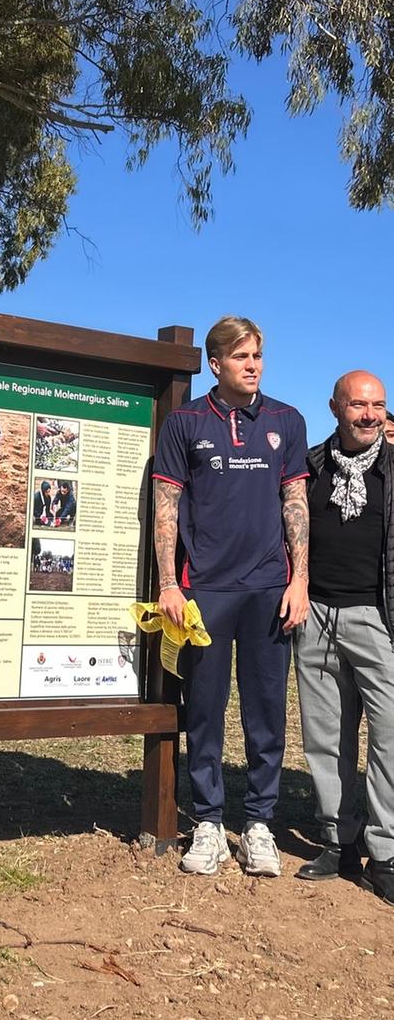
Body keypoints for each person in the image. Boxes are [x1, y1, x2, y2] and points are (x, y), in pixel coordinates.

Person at [153, 315, 309, 877]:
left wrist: (300, 579)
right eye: (241, 358)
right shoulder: (186, 421)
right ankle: (210, 823)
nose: (252, 367)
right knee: (205, 710)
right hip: (205, 591)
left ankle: (261, 822)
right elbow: (166, 508)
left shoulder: (286, 421)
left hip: (270, 587)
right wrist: (170, 583)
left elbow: (296, 503)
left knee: (266, 712)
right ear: (215, 364)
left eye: (258, 357)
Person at [293, 371, 394, 904]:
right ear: (335, 407)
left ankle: (386, 851)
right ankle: (339, 839)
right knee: (326, 737)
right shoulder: (307, 467)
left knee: (390, 738)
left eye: (379, 405)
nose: (370, 415)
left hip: (380, 620)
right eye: (359, 405)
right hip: (315, 617)